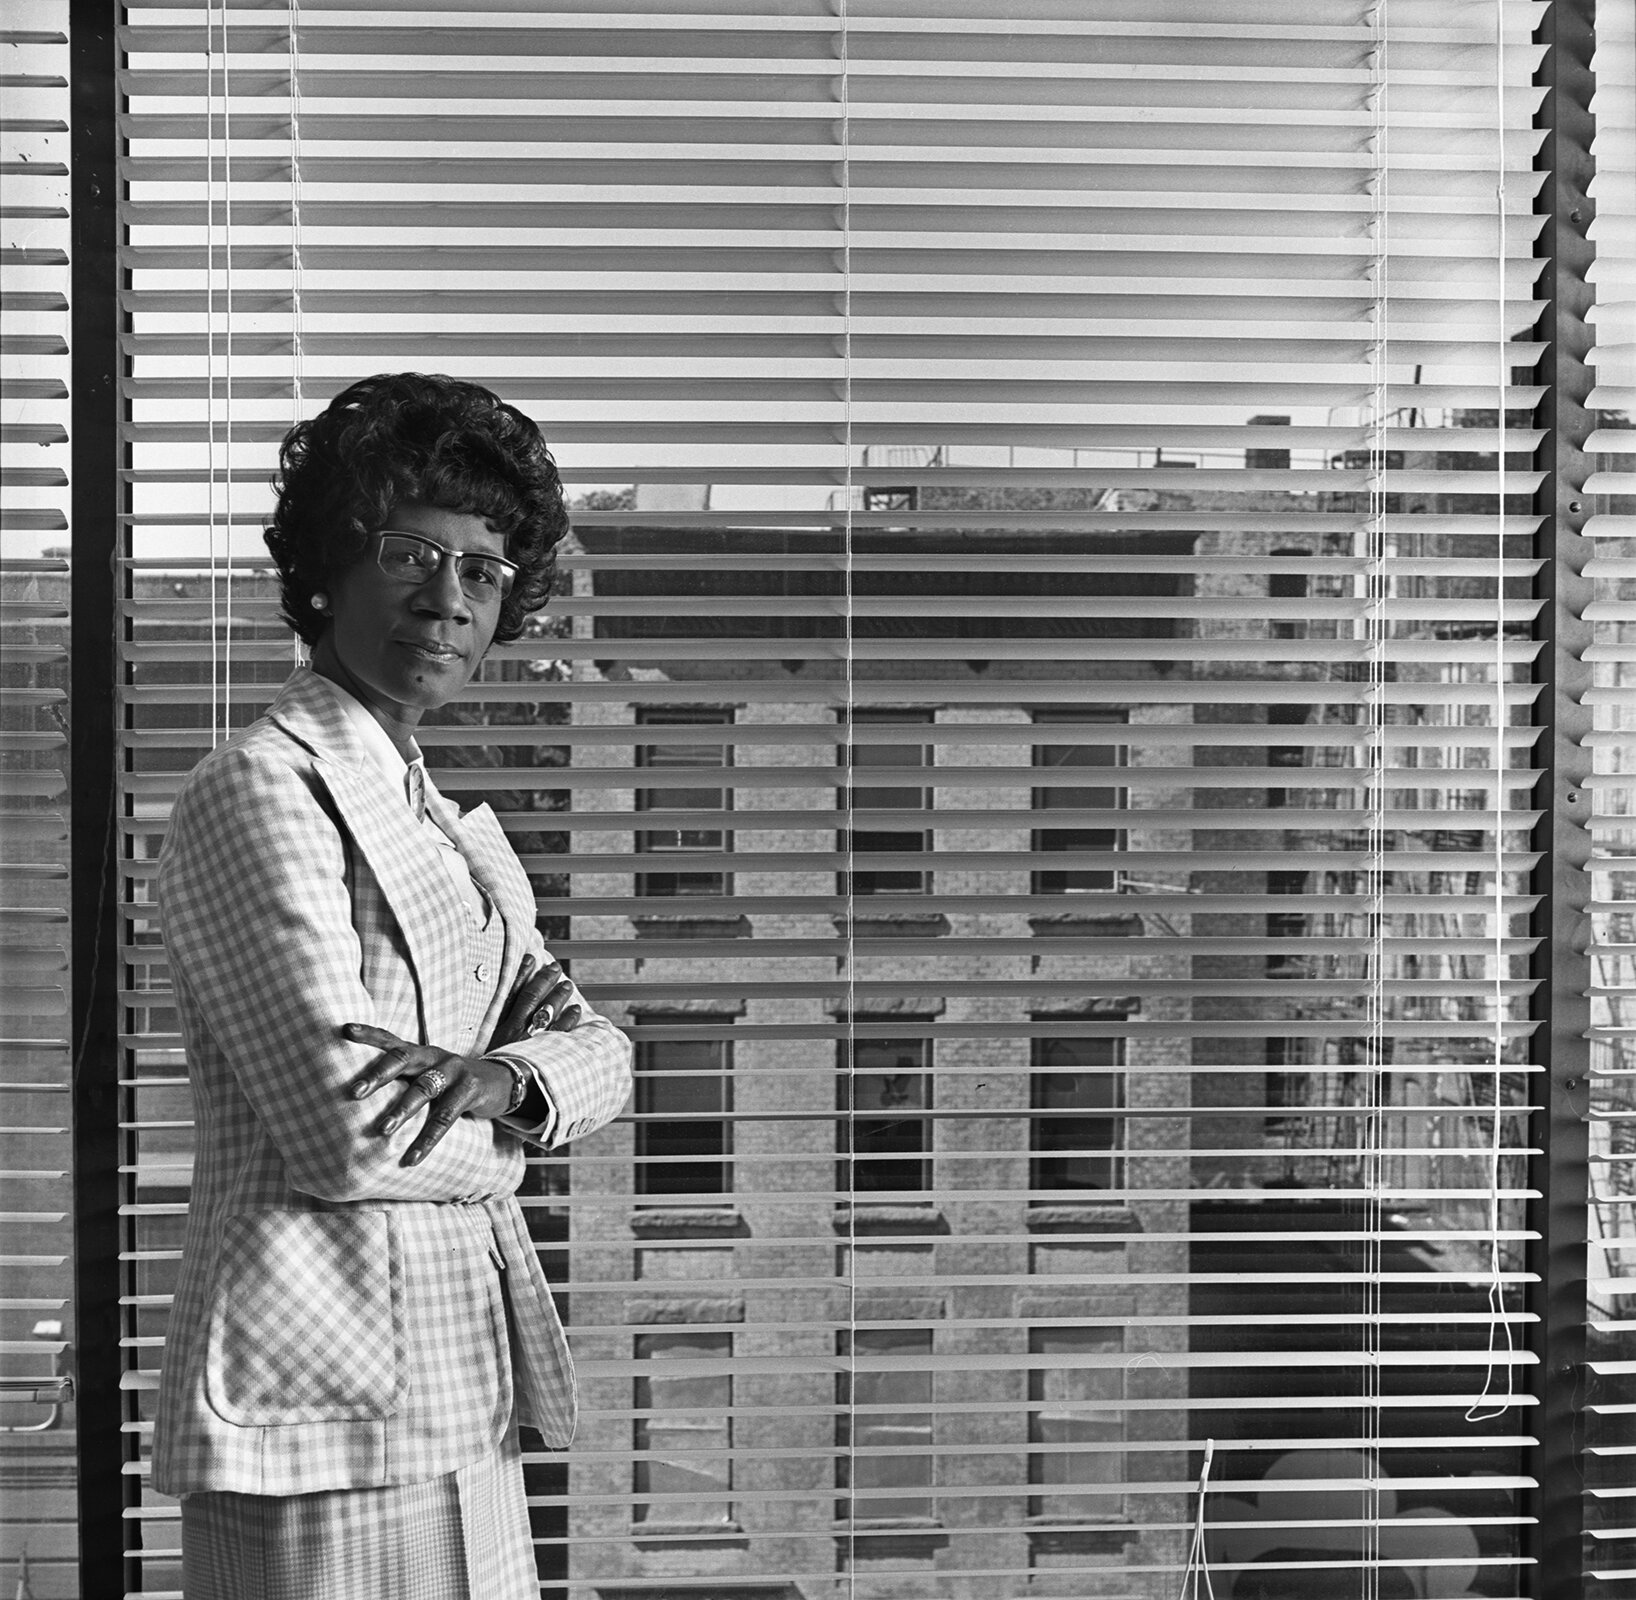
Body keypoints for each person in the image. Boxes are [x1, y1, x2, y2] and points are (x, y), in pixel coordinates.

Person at [153, 372, 633, 1598]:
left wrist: (499, 1079)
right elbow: (345, 1138)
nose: (450, 597)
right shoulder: (259, 792)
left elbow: (601, 1051)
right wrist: (518, 1140)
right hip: (323, 1410)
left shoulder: (447, 830)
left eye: (484, 571)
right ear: (324, 568)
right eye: (412, 552)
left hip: (458, 1376)